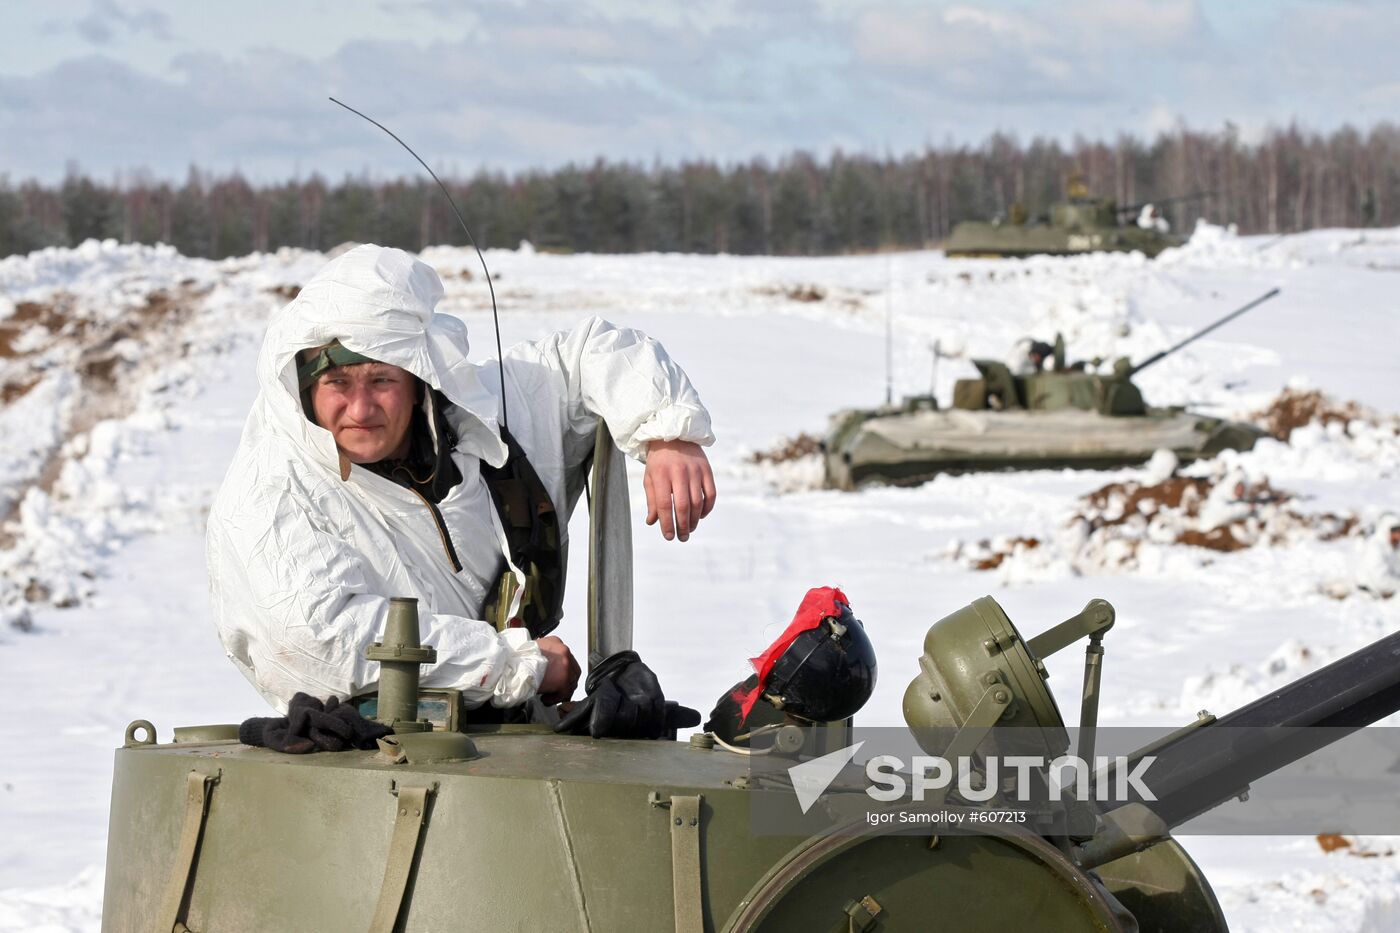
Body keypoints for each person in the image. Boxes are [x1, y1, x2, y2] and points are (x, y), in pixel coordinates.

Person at [207, 245, 717, 714]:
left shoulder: (478, 416)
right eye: (337, 382)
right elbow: (318, 640)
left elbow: (593, 353)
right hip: (380, 762)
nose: (360, 408)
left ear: (418, 379)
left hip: (509, 740)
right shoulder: (270, 498)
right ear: (306, 387)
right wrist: (521, 665)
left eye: (382, 379)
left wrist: (668, 434)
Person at [1357, 513, 1400, 598]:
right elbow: (1380, 580)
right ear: (1385, 530)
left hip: (1390, 591)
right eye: (1395, 530)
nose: (1398, 534)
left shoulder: (1394, 546)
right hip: (1370, 595)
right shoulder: (1374, 547)